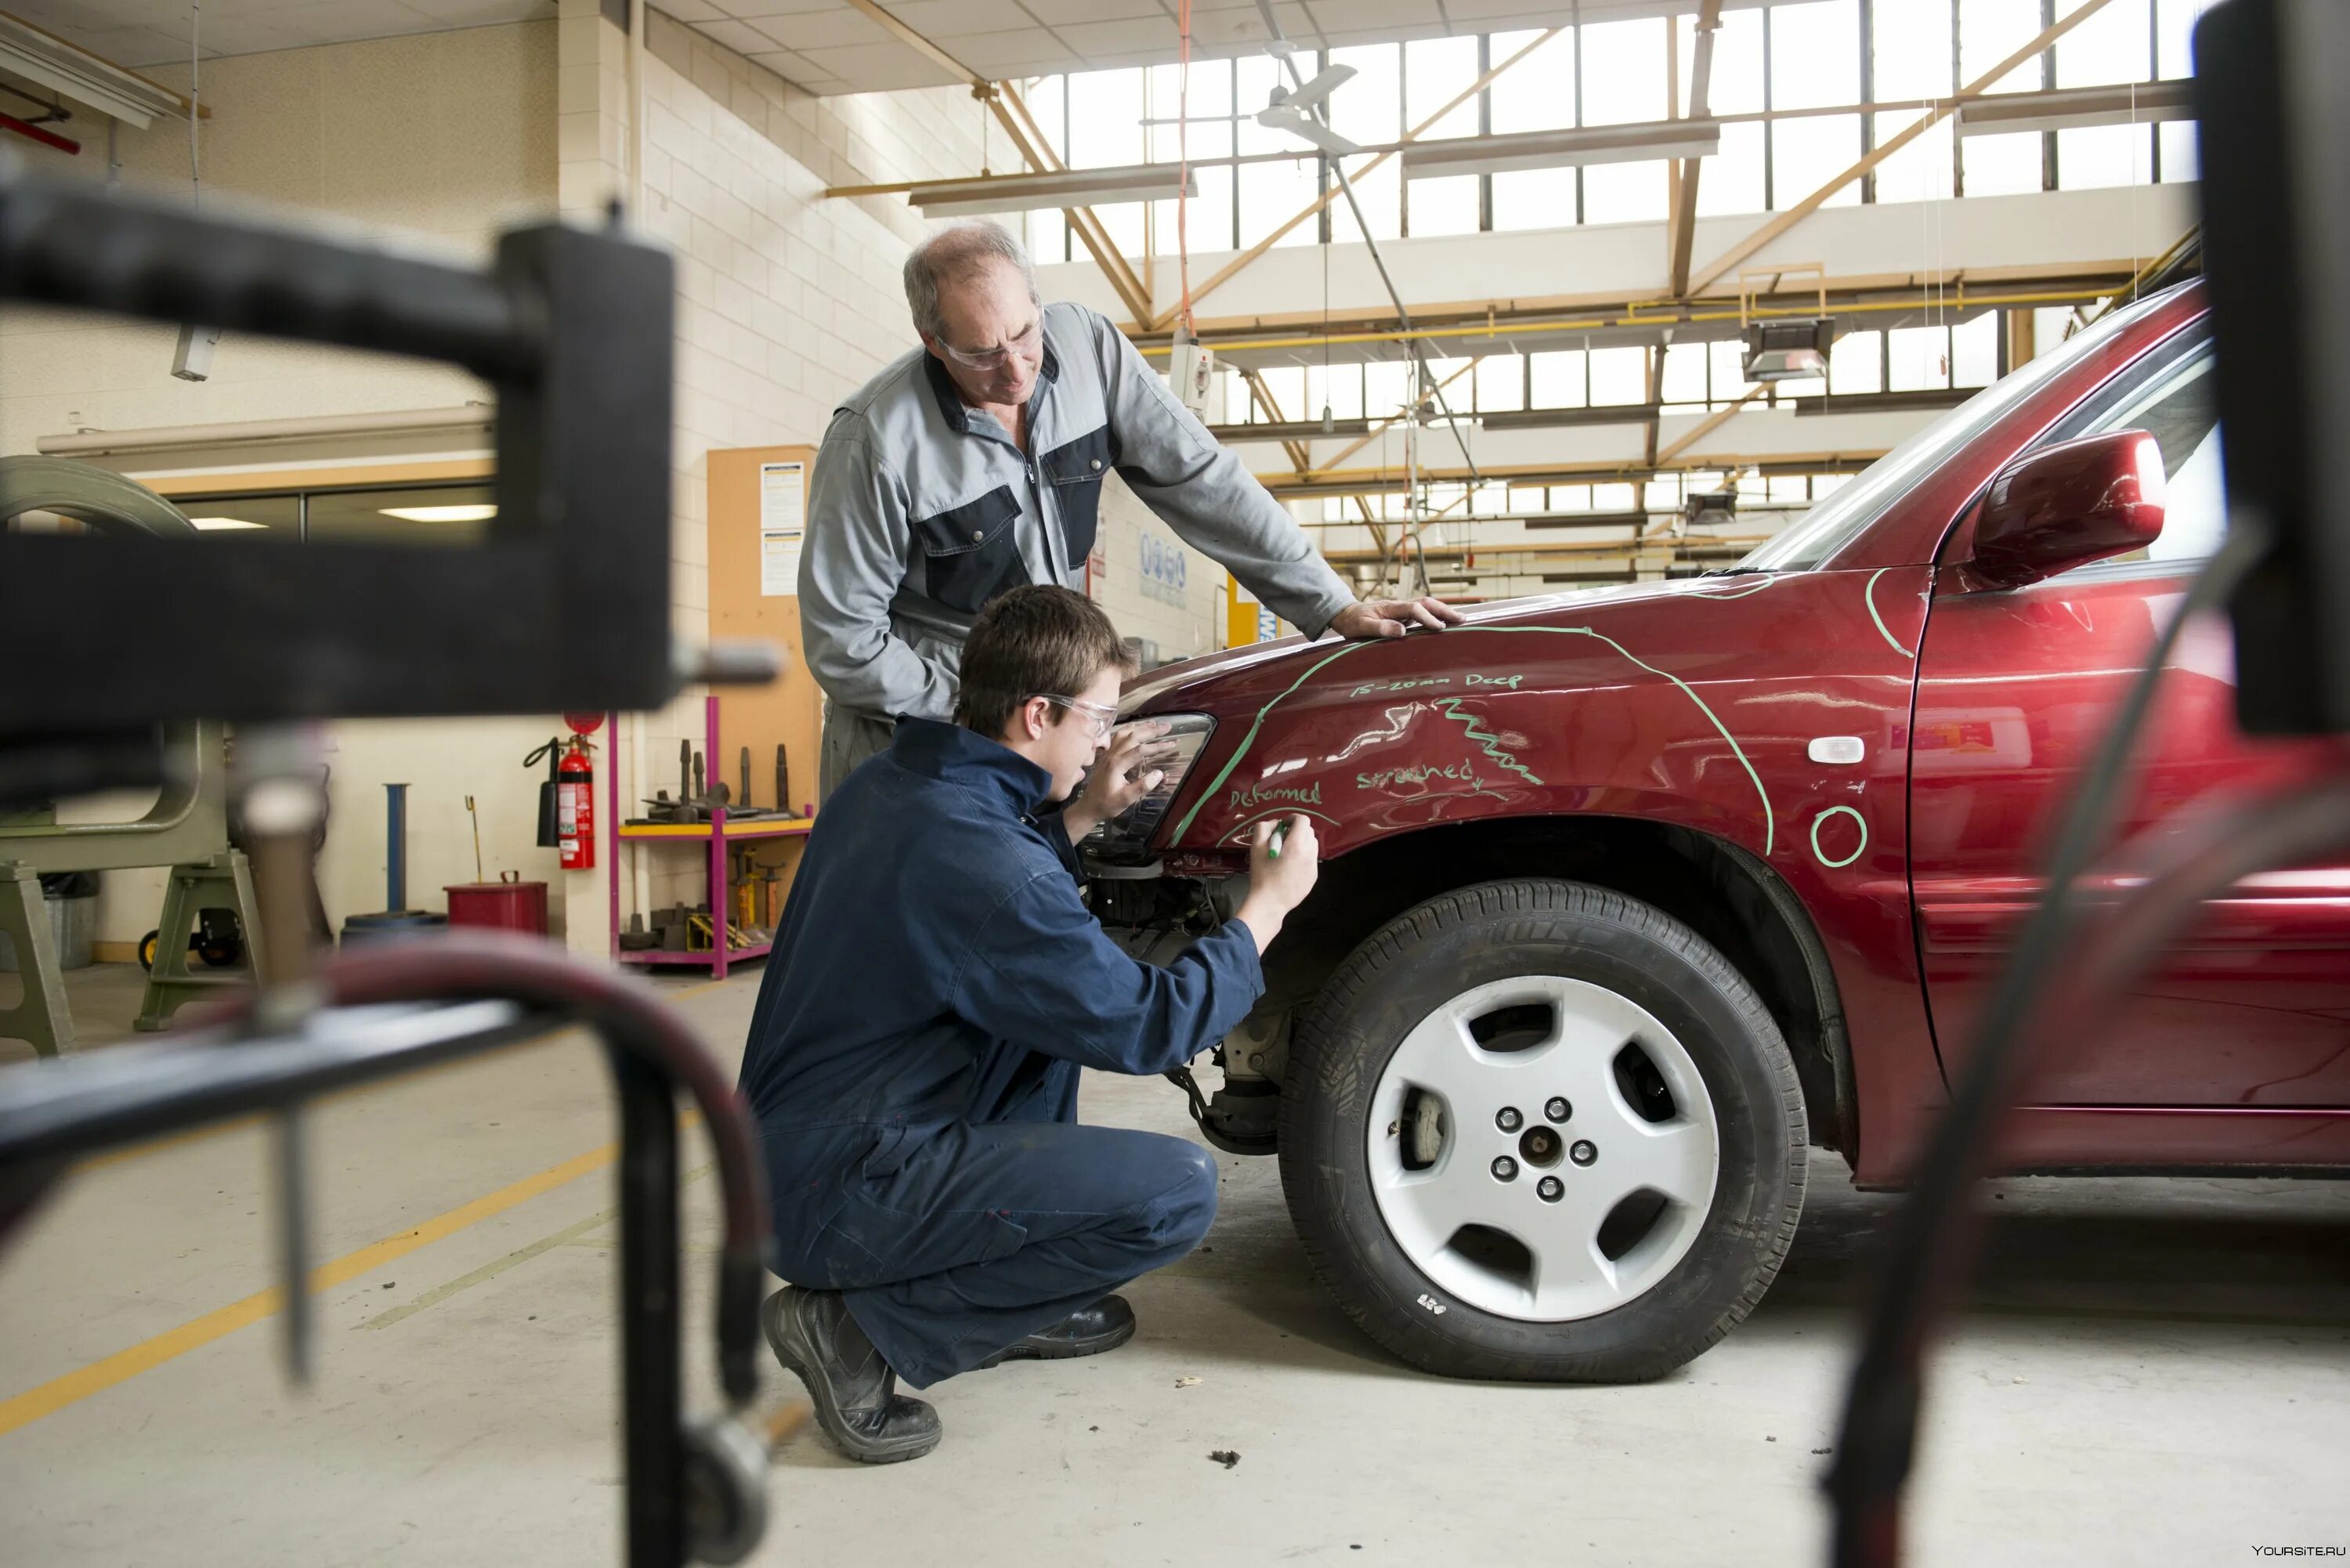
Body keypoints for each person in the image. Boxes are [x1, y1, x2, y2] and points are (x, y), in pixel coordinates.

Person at [739, 585, 1322, 1464]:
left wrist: (1081, 812)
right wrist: (1266, 911)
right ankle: (860, 1328)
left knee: (1042, 1025)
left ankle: (1005, 1298)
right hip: (841, 1190)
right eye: (1096, 718)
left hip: (793, 1154)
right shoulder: (986, 859)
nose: (1104, 738)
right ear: (1036, 711)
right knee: (1173, 1194)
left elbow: (982, 904)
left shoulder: (895, 783)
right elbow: (1145, 1026)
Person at [800, 218, 1461, 800]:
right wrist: (986, 711)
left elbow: (1203, 478)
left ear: (1037, 298)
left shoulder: (1088, 348)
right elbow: (844, 643)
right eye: (981, 354)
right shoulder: (875, 440)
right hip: (914, 748)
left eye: (1025, 335)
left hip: (1036, 725)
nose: (1015, 372)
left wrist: (1330, 602)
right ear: (932, 341)